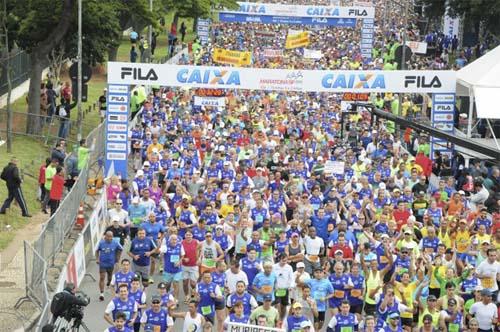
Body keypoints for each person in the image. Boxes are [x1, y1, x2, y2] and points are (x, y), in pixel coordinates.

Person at [96, 231, 123, 301]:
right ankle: (101, 293)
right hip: (103, 263)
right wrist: (97, 259)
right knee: (102, 277)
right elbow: (97, 251)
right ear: (105, 236)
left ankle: (108, 285)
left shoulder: (115, 242)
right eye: (108, 236)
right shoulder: (101, 243)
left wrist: (117, 259)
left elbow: (121, 249)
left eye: (111, 236)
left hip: (111, 263)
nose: (109, 238)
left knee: (110, 278)